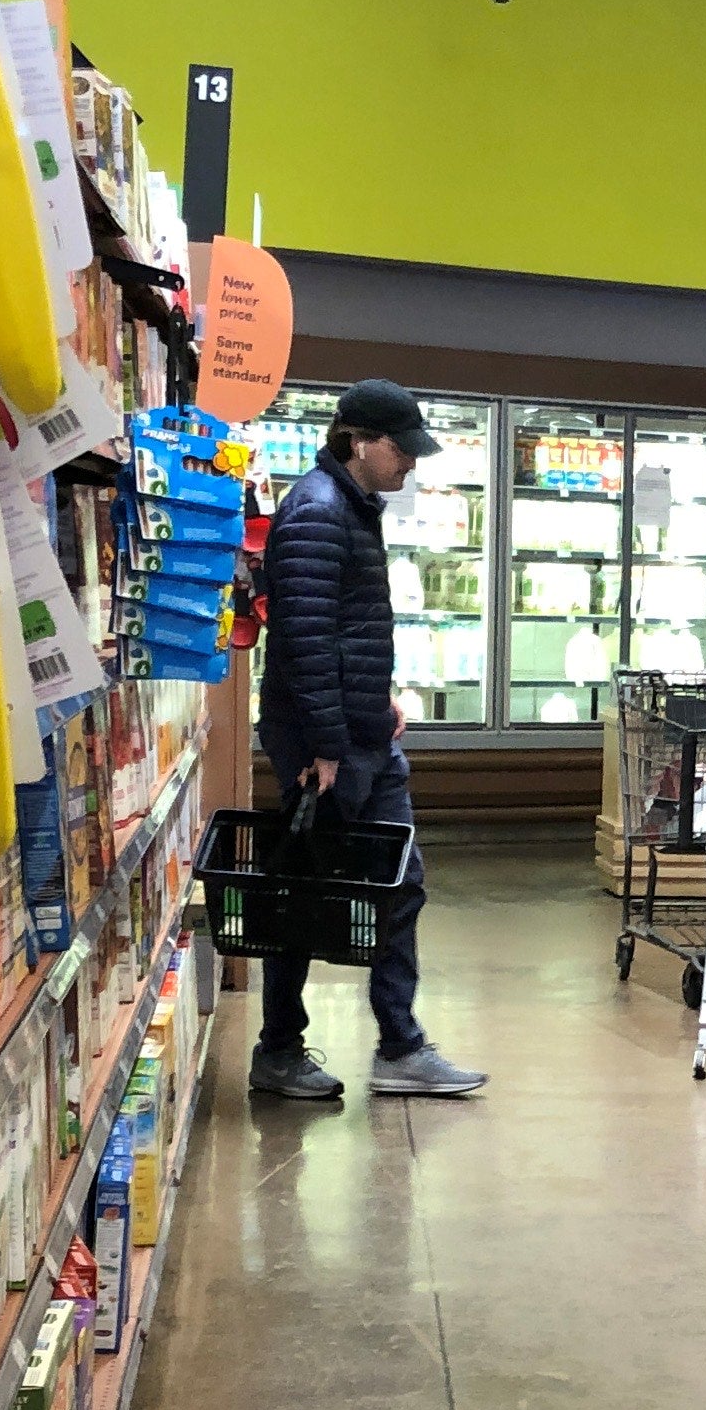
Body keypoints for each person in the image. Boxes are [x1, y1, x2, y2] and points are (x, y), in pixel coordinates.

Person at [251, 380, 486, 1102]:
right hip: (328, 746)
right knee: (302, 893)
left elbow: (343, 630)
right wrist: (325, 742)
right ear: (357, 440)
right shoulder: (318, 514)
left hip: (362, 735)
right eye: (400, 449)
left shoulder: (348, 508)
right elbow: (304, 641)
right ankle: (280, 1050)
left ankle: (399, 1045)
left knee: (398, 882)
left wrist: (373, 703)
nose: (410, 464)